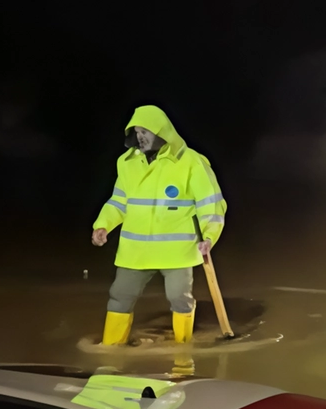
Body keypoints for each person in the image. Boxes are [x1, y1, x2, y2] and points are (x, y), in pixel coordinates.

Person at [92, 105, 226, 345]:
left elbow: (211, 204)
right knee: (120, 296)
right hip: (135, 250)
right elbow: (119, 201)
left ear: (162, 131)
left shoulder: (191, 162)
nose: (140, 136)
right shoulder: (127, 163)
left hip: (177, 251)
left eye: (146, 131)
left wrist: (209, 236)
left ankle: (182, 354)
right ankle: (110, 351)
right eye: (136, 131)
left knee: (179, 298)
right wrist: (103, 225)